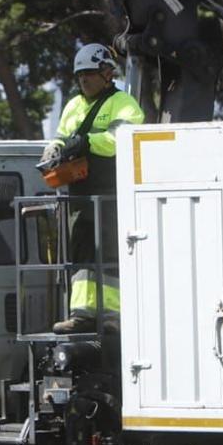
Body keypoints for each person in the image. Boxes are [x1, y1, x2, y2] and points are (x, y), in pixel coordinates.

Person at [41, 42, 145, 334]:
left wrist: (86, 141)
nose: (83, 80)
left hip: (112, 195)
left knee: (109, 252)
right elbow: (61, 137)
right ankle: (82, 314)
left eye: (89, 73)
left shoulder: (123, 104)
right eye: (79, 76)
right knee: (81, 254)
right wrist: (54, 150)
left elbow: (119, 141)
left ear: (107, 73)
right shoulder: (73, 105)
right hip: (79, 195)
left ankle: (113, 315)